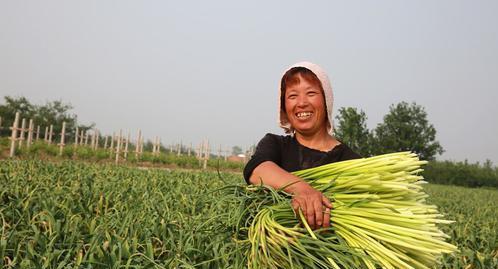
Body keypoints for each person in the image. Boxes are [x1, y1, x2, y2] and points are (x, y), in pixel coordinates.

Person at [243, 61, 361, 230]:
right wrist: (303, 190)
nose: (302, 103)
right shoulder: (276, 145)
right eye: (292, 96)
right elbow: (257, 169)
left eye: (311, 93)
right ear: (284, 106)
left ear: (326, 99)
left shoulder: (350, 162)